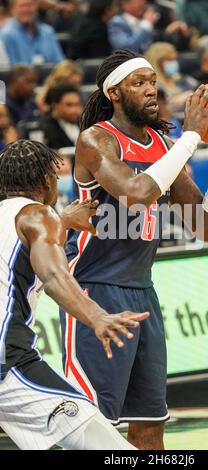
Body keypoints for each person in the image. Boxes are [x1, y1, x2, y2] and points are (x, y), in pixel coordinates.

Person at [60, 49, 208, 450]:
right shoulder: (96, 140)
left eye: (152, 81)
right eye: (138, 83)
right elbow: (135, 194)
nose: (150, 90)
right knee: (94, 430)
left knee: (149, 428)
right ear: (114, 92)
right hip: (94, 292)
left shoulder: (164, 145)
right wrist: (191, 137)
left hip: (143, 292)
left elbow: (207, 226)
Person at [0, 138, 149, 450]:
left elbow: (18, 247)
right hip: (8, 362)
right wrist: (97, 317)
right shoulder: (39, 216)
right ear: (46, 180)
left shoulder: (22, 218)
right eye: (57, 175)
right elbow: (54, 276)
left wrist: (63, 220)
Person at [1, 0, 65, 65]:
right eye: (22, 6)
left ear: (36, 7)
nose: (26, 10)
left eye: (30, 5)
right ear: (12, 9)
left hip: (50, 74)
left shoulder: (48, 32)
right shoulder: (6, 35)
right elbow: (10, 69)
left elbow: (60, 63)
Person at [145, 42, 198, 112]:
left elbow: (199, 86)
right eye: (169, 60)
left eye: (174, 59)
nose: (173, 63)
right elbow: (161, 108)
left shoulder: (182, 78)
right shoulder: (153, 85)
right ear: (157, 62)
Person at [39, 85, 82, 149]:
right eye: (69, 105)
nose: (74, 110)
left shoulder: (85, 124)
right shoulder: (45, 128)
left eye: (77, 104)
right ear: (55, 105)